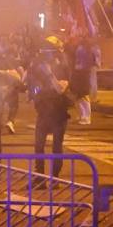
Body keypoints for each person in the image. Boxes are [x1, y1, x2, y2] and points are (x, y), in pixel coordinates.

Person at [27, 38, 72, 175]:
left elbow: (60, 89)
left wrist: (49, 74)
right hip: (43, 112)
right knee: (38, 146)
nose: (45, 52)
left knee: (56, 147)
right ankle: (39, 177)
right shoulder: (38, 66)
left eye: (49, 49)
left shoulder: (63, 67)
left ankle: (55, 177)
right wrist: (35, 91)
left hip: (59, 114)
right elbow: (31, 87)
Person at [71, 38, 93, 125]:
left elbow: (83, 64)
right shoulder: (80, 49)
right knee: (79, 97)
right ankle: (82, 115)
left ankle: (86, 117)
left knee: (83, 97)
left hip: (83, 75)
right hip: (79, 74)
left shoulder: (86, 51)